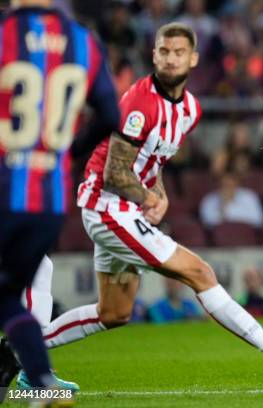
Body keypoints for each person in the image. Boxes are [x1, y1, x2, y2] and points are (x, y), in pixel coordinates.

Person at [6, 23, 263, 388]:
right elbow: (116, 171)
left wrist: (159, 192)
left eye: (179, 52)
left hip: (125, 210)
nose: (170, 58)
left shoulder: (190, 110)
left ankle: (16, 355)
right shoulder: (139, 103)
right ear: (154, 55)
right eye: (164, 51)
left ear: (193, 58)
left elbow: (153, 159)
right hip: (106, 207)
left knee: (113, 312)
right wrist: (148, 196)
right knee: (200, 273)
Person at [0, 0, 120, 402]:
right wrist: (65, 155)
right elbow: (108, 114)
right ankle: (38, 377)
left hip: (5, 186)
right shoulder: (81, 40)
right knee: (25, 282)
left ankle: (33, 377)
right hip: (47, 197)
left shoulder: (5, 36)